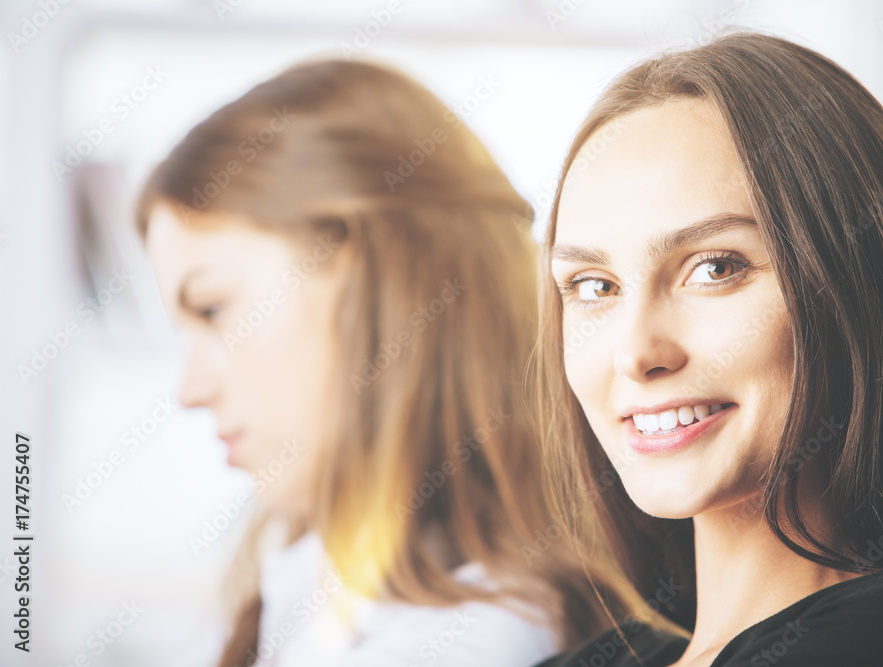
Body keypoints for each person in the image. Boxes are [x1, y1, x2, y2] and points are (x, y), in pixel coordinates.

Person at [135, 59, 659, 666]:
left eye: (212, 309)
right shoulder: (311, 589)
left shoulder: (467, 643)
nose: (189, 389)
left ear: (373, 280)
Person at [531, 32, 883, 666]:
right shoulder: (603, 654)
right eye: (595, 286)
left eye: (716, 268)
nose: (636, 353)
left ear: (857, 291)